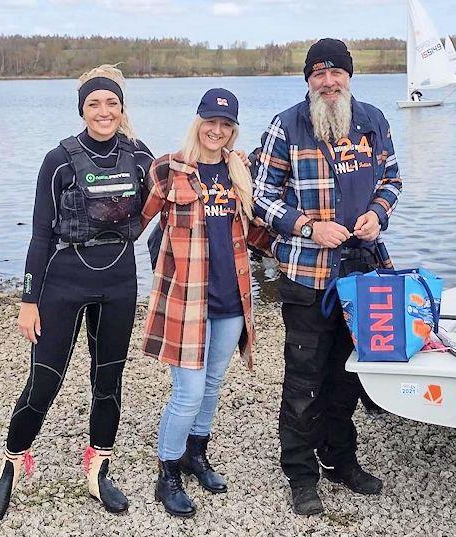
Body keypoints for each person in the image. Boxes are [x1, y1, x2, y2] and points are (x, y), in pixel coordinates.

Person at [0, 65, 154, 524]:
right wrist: (27, 298)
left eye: (112, 104)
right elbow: (40, 235)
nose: (103, 112)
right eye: (94, 104)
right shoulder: (58, 160)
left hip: (118, 281)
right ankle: (13, 464)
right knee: (44, 381)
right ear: (82, 109)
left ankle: (98, 468)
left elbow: (162, 204)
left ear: (122, 109)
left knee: (108, 381)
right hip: (63, 280)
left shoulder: (139, 157)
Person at [253, 38, 402, 516]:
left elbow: (392, 179)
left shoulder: (373, 121)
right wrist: (309, 226)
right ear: (308, 81)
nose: (328, 81)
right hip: (305, 274)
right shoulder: (287, 125)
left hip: (365, 270)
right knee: (304, 379)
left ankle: (340, 459)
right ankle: (300, 472)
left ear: (349, 77)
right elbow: (262, 198)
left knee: (350, 376)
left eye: (336, 72)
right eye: (318, 74)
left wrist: (379, 213)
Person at [141, 88, 267, 518]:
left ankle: (198, 454)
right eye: (210, 121)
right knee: (187, 391)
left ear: (233, 130)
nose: (217, 130)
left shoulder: (240, 171)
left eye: (226, 124)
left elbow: (253, 232)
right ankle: (168, 472)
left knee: (212, 384)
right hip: (187, 300)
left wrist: (300, 243)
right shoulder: (168, 169)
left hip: (232, 299)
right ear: (198, 121)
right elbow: (135, 222)